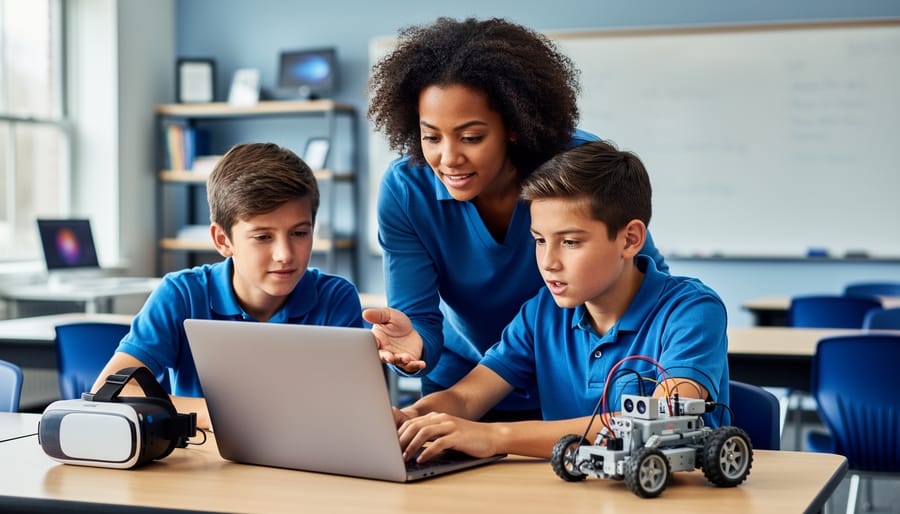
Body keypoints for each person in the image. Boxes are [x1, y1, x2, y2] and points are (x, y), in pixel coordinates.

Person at [364, 17, 668, 420]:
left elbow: (643, 280)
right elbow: (416, 318)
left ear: (512, 126)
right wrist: (413, 344)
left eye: (471, 137)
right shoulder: (407, 190)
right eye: (431, 136)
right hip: (469, 384)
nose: (448, 158)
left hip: (579, 388)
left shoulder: (572, 168)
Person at [391, 140, 729, 463]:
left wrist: (497, 436)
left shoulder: (692, 311)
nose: (548, 262)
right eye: (539, 240)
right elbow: (467, 396)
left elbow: (661, 424)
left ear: (630, 239)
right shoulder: (542, 313)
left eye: (569, 242)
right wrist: (407, 418)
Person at [91, 142, 364, 429]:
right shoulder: (181, 295)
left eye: (299, 233)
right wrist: (228, 415)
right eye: (262, 237)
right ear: (223, 240)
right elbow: (109, 392)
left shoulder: (335, 298)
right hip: (203, 467)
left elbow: (351, 411)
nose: (285, 254)